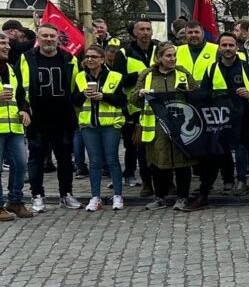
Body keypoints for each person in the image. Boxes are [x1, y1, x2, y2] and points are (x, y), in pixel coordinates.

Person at [187, 32, 249, 211]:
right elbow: (204, 96)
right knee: (212, 161)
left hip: (247, 122)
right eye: (224, 45)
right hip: (222, 124)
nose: (227, 49)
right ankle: (203, 196)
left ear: (237, 47)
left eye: (231, 45)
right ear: (219, 47)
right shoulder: (211, 69)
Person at [21, 24, 81, 212]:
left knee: (65, 160)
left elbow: (75, 87)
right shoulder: (27, 58)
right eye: (44, 35)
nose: (48, 39)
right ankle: (37, 196)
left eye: (52, 36)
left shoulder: (68, 58)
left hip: (63, 118)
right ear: (38, 38)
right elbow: (20, 88)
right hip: (37, 119)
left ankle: (66, 194)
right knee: (36, 159)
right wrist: (24, 109)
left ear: (58, 38)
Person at [135, 43, 197, 211]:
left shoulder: (182, 73)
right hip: (157, 128)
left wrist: (188, 92)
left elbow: (196, 95)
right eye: (168, 56)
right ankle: (160, 197)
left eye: (174, 55)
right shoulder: (147, 75)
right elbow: (133, 99)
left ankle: (183, 197)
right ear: (159, 58)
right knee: (158, 165)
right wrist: (140, 94)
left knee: (183, 164)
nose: (173, 59)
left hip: (180, 126)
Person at [72, 45, 127, 212]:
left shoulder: (115, 76)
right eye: (87, 56)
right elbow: (74, 100)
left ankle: (117, 195)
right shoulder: (80, 76)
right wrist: (83, 94)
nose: (90, 59)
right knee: (94, 162)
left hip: (110, 125)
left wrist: (104, 97)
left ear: (102, 60)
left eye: (94, 57)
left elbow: (122, 100)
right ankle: (95, 197)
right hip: (89, 125)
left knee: (112, 160)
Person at [120, 19, 157, 194]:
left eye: (148, 29)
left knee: (162, 146)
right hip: (136, 109)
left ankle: (164, 180)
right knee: (140, 148)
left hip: (159, 106)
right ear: (134, 32)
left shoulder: (159, 48)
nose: (145, 32)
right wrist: (139, 74)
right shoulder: (124, 52)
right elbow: (118, 79)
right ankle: (147, 182)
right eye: (141, 29)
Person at [0, 34, 33, 219]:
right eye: (2, 44)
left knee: (20, 164)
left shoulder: (11, 69)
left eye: (7, 44)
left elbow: (20, 95)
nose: (7, 47)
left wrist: (24, 110)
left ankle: (15, 201)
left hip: (14, 127)